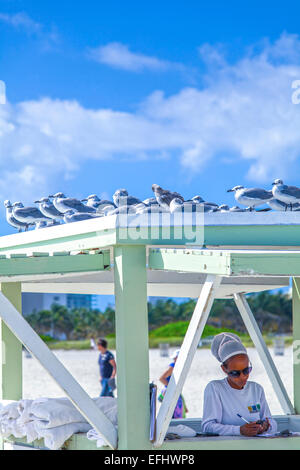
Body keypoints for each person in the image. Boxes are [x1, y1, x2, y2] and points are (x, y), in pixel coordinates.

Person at [202, 332, 277, 436]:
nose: (243, 377)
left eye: (246, 370)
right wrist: (239, 430)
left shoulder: (256, 389)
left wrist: (264, 426)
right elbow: (208, 426)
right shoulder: (215, 388)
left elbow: (271, 422)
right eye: (235, 373)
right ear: (224, 369)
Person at [158, 349, 188, 418]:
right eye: (174, 358)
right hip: (170, 392)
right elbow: (161, 378)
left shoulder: (179, 366)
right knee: (175, 415)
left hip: (174, 392)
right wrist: (171, 388)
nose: (174, 359)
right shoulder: (173, 366)